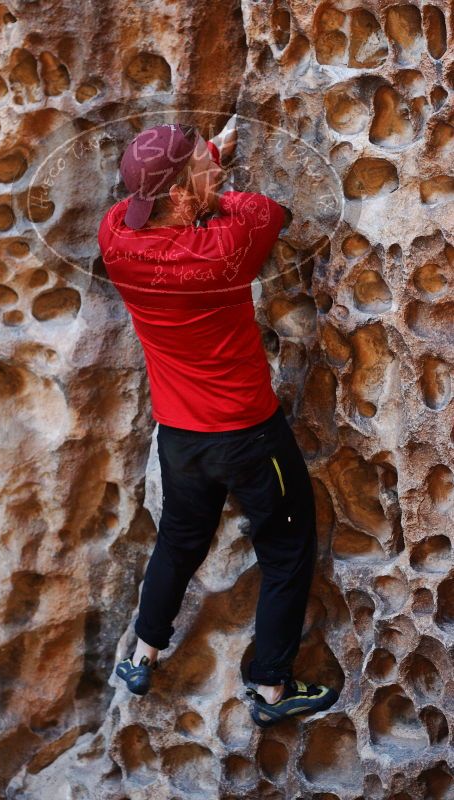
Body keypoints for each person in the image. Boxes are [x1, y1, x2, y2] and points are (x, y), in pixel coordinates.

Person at [97, 120, 339, 725]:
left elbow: (163, 200)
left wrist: (204, 162)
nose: (216, 174)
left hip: (179, 438)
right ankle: (271, 690)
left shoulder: (114, 237)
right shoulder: (223, 248)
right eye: (201, 173)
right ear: (179, 195)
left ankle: (144, 653)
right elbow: (267, 209)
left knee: (179, 541)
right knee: (286, 550)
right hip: (248, 435)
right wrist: (214, 187)